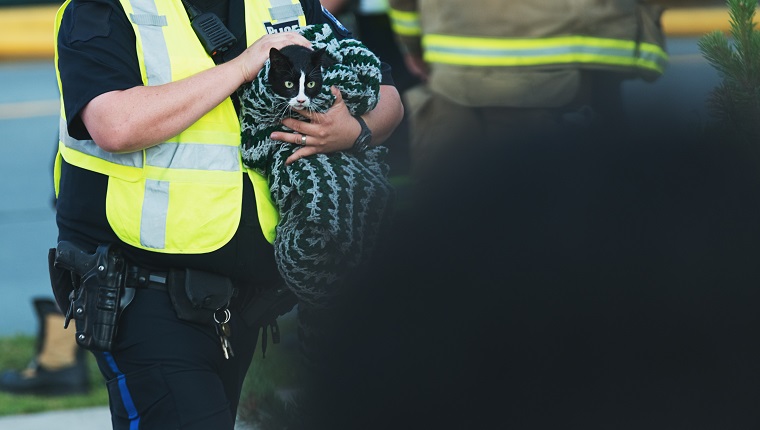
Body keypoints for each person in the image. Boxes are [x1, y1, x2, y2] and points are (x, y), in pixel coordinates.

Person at [51, 0, 403, 429]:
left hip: (242, 302)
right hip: (142, 293)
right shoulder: (103, 7)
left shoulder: (285, 3)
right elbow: (116, 125)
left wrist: (354, 131)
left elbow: (387, 95)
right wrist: (242, 66)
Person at [387, 0, 669, 177]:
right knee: (568, 219)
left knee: (453, 221)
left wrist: (413, 45)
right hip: (569, 63)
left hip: (453, 71)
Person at [0, 297, 89, 396]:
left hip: (60, 372)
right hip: (72, 374)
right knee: (77, 297)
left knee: (71, 297)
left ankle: (52, 370)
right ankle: (68, 376)